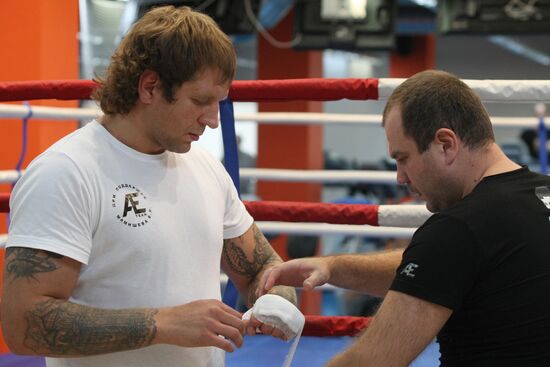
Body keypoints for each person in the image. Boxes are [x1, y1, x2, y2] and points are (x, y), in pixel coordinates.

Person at [1, 6, 296, 367]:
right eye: (201, 101)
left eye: (218, 102)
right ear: (150, 86)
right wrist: (162, 323)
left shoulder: (204, 166)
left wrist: (278, 297)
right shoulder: (66, 172)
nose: (213, 120)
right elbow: (23, 325)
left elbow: (260, 264)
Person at [258, 70, 550, 366]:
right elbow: (445, 268)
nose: (400, 177)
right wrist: (333, 267)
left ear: (446, 144)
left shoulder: (460, 228)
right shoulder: (537, 198)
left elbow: (370, 362)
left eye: (403, 158)